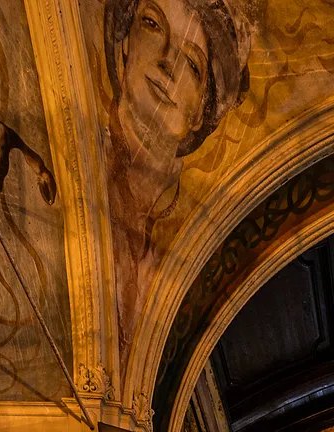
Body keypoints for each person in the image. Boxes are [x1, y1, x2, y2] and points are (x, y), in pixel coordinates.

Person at [102, 0, 255, 327]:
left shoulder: (181, 240)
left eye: (192, 63)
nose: (169, 62)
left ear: (202, 109)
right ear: (126, 41)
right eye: (153, 24)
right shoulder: (91, 153)